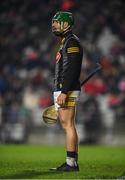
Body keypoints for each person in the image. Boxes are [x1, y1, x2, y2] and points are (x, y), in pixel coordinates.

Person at [50, 11, 83, 172]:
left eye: (57, 22)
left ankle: (71, 163)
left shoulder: (72, 42)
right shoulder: (65, 42)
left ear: (66, 24)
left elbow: (72, 69)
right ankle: (70, 162)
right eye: (53, 22)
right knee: (66, 124)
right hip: (64, 88)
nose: (53, 25)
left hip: (67, 89)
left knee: (68, 125)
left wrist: (64, 91)